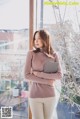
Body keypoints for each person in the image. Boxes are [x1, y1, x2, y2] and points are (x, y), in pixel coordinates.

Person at [24, 29, 63, 119]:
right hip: (35, 95)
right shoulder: (31, 54)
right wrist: (47, 81)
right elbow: (26, 75)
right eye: (35, 38)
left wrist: (39, 74)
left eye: (39, 38)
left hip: (50, 95)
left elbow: (59, 75)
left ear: (46, 39)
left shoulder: (54, 55)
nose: (36, 41)